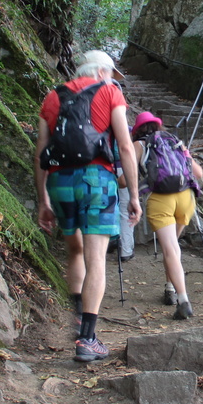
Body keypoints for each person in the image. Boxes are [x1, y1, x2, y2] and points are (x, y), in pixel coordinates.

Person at [35, 50, 141, 362]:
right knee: (97, 257)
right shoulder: (109, 92)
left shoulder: (52, 97)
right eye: (112, 75)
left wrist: (43, 199)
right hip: (96, 179)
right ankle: (88, 339)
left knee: (76, 250)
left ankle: (79, 314)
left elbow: (41, 151)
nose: (114, 81)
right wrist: (133, 195)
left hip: (60, 181)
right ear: (101, 72)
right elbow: (124, 145)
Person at [131, 112, 203, 319]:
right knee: (173, 248)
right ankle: (170, 289)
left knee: (170, 249)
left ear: (137, 130)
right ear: (158, 126)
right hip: (186, 198)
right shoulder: (175, 142)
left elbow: (125, 180)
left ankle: (183, 301)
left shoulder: (139, 145)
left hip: (161, 199)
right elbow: (197, 173)